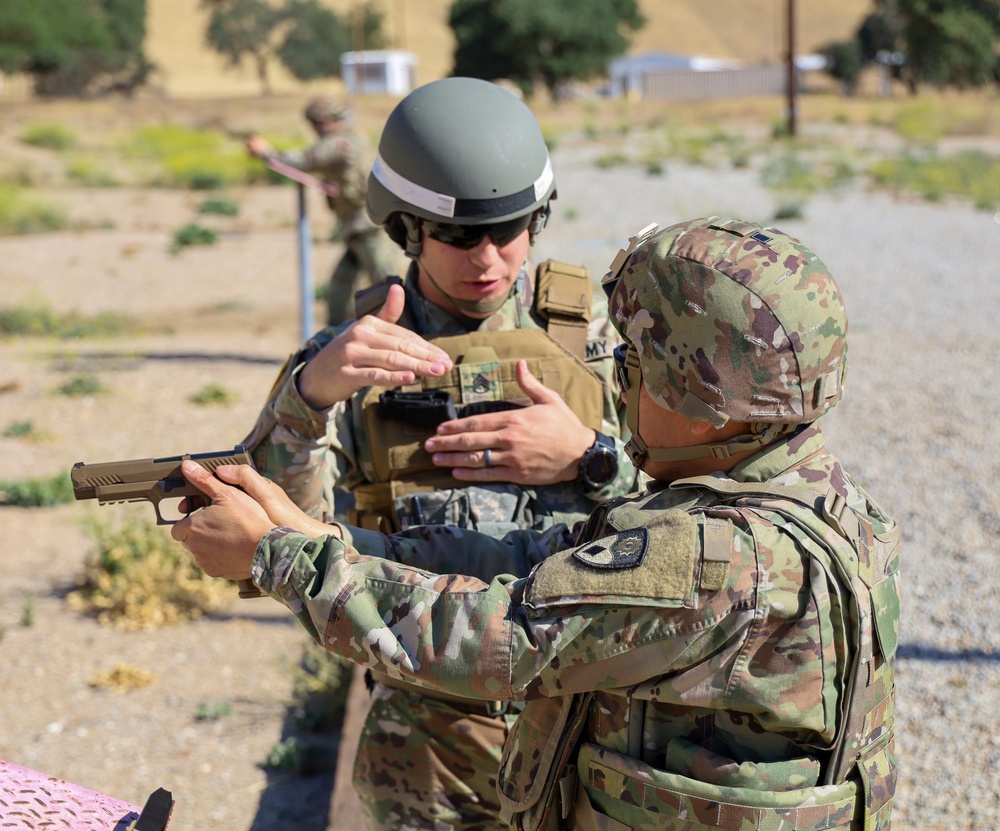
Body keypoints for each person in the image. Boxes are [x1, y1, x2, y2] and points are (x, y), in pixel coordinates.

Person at [177, 215, 901, 831]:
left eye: (637, 363)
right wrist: (326, 539)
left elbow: (497, 637)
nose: (620, 378)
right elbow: (552, 555)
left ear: (699, 393)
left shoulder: (709, 558)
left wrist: (279, 558)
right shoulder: (832, 508)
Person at [240, 77, 639, 830]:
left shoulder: (599, 348)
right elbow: (278, 533)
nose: (487, 258)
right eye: (458, 234)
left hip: (592, 728)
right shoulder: (345, 363)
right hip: (432, 751)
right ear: (406, 229)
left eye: (511, 227)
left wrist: (591, 457)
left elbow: (696, 526)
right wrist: (310, 397)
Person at [246, 95, 387, 326]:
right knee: (339, 289)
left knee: (386, 286)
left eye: (317, 123)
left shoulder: (338, 142)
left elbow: (305, 161)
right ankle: (334, 338)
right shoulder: (351, 139)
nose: (316, 129)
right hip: (357, 226)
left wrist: (265, 153)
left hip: (366, 225)